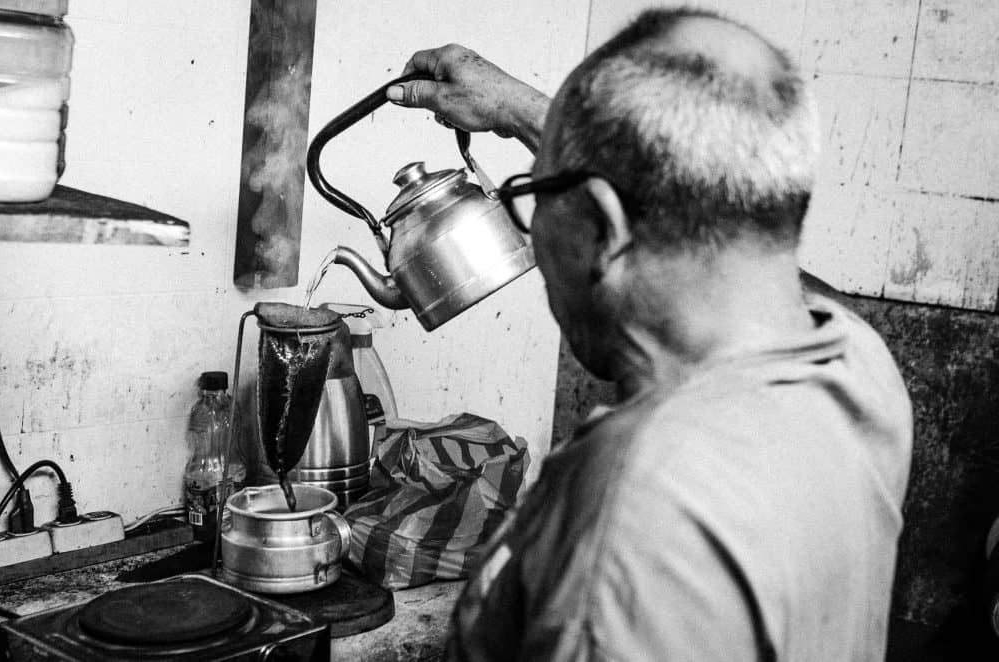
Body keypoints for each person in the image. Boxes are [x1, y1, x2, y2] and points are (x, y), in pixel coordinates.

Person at [388, 8, 913, 661]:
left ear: (604, 227)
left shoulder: (635, 513)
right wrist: (525, 114)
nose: (532, 232)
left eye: (529, 199)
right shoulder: (861, 367)